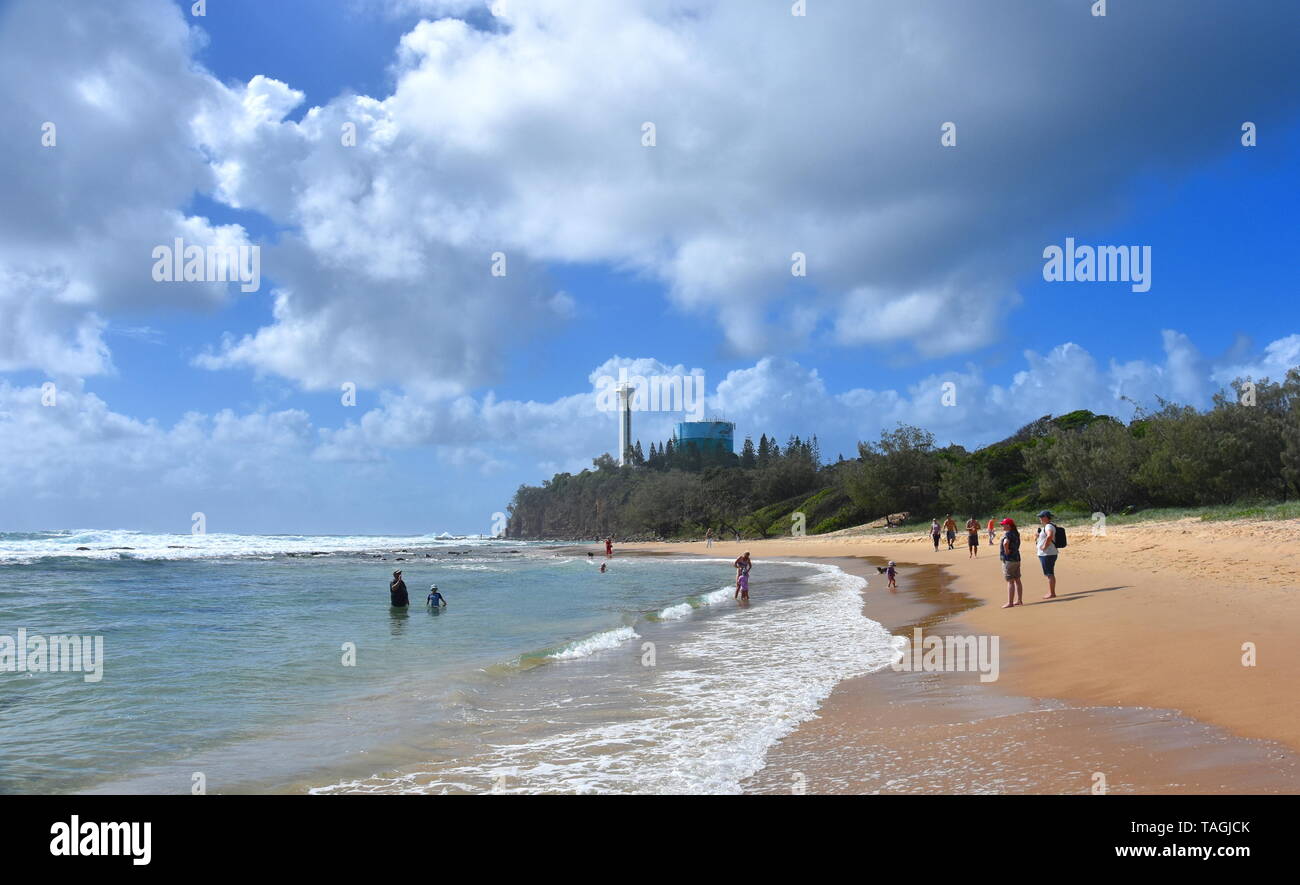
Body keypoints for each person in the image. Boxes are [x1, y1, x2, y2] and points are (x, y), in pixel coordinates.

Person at [1036, 510, 1059, 599]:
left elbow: (1049, 536)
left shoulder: (1049, 526)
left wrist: (1044, 547)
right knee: (1049, 573)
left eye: (1041, 517)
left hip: (1047, 554)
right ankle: (1051, 592)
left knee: (1049, 574)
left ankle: (1052, 593)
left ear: (1046, 517)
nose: (1040, 519)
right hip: (1048, 553)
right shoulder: (1048, 526)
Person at [999, 519, 1022, 608]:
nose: (1002, 526)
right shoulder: (1016, 533)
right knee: (1017, 580)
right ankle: (1019, 600)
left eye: (1003, 525)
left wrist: (1006, 551)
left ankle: (1010, 602)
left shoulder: (1008, 534)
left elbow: (1005, 543)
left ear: (1008, 525)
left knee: (1010, 581)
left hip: (1009, 560)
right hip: (1016, 558)